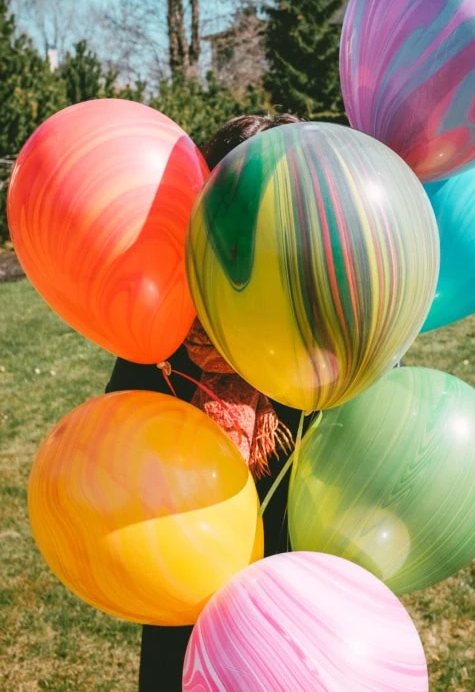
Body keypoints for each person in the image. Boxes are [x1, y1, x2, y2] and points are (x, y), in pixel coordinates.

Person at [105, 113, 307, 692]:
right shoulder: (163, 324)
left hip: (290, 573)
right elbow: (118, 436)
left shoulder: (317, 322)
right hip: (183, 575)